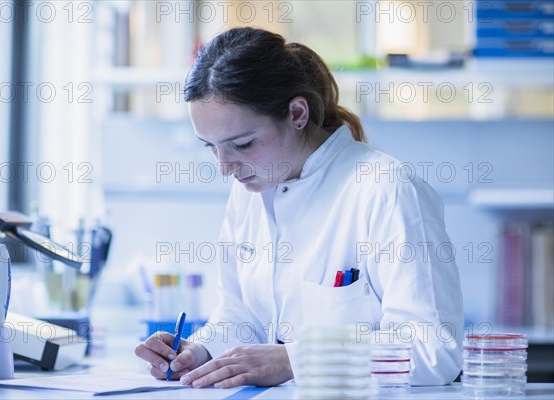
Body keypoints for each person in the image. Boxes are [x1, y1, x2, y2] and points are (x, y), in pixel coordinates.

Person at [134, 26, 463, 388]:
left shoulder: (387, 190)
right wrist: (201, 351)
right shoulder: (250, 188)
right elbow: (243, 316)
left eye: (242, 144)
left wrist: (297, 359)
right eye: (210, 146)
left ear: (297, 114)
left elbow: (433, 351)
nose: (224, 167)